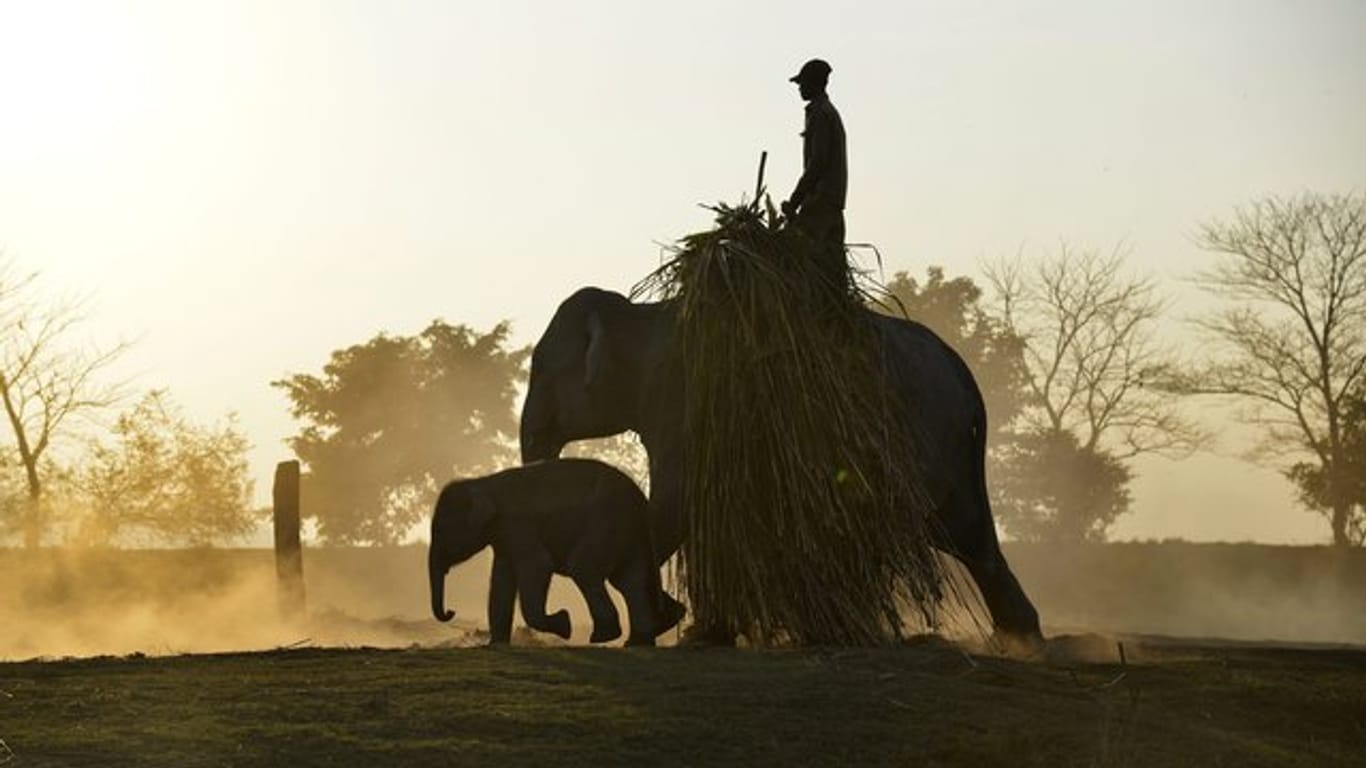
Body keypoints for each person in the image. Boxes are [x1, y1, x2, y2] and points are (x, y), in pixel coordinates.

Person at [781, 58, 848, 291]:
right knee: (834, 276)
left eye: (802, 83)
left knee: (789, 256)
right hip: (833, 203)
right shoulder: (828, 112)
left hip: (819, 203)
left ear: (814, 84)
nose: (799, 88)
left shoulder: (820, 114)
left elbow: (817, 164)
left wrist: (795, 200)